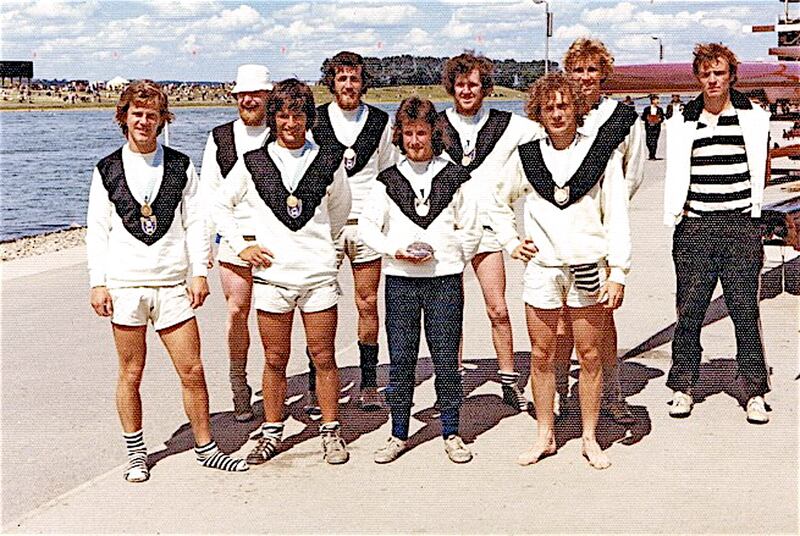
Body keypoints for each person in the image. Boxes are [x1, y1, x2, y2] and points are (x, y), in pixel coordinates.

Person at [86, 80, 249, 482]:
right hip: (125, 285)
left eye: (152, 115)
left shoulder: (179, 165)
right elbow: (97, 229)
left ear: (163, 120)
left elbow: (197, 223)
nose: (144, 121)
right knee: (130, 373)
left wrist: (199, 272)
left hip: (172, 284)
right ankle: (137, 453)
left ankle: (207, 447)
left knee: (192, 370)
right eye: (136, 114)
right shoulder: (106, 169)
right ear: (123, 117)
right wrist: (98, 282)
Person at [489, 73, 631, 469]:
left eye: (564, 105)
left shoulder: (602, 153)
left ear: (577, 109)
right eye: (549, 107)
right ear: (538, 111)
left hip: (589, 267)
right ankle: (545, 435)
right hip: (543, 271)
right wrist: (511, 240)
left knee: (589, 356)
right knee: (541, 355)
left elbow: (617, 215)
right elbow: (495, 200)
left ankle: (589, 437)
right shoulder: (527, 156)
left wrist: (618, 271)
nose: (557, 113)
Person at [214, 79, 352, 465]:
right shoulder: (253, 162)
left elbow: (339, 210)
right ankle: (272, 432)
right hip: (273, 278)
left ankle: (331, 431)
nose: (290, 123)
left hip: (317, 276)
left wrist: (321, 247)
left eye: (298, 115)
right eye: (283, 115)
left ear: (309, 118)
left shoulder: (328, 158)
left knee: (323, 356)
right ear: (273, 118)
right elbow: (220, 206)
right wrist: (244, 246)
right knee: (275, 359)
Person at [359, 96, 481, 464]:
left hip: (443, 280)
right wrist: (396, 249)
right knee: (401, 360)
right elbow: (367, 228)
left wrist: (446, 255)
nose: (415, 141)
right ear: (400, 135)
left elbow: (471, 229)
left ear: (434, 133)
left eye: (422, 133)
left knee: (446, 359)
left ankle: (452, 431)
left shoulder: (456, 176)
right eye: (409, 133)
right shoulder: (388, 180)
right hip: (401, 280)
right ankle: (398, 433)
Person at [664, 43, 771, 424]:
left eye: (719, 73)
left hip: (740, 225)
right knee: (689, 312)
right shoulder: (681, 120)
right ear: (698, 77)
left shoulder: (755, 117)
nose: (712, 80)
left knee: (745, 310)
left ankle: (755, 389)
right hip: (695, 225)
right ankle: (683, 385)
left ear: (731, 76)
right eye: (706, 74)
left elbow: (761, 169)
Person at [438, 52, 544, 411]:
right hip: (447, 231)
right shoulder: (436, 126)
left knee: (497, 308)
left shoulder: (511, 125)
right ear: (451, 86)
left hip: (488, 230)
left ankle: (509, 379)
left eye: (474, 83)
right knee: (449, 312)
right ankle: (450, 381)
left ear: (485, 87)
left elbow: (552, 132)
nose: (466, 90)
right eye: (460, 83)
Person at [557, 38, 645, 425]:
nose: (584, 78)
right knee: (557, 316)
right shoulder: (557, 113)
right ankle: (559, 392)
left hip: (603, 234)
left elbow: (633, 175)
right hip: (559, 233)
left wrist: (608, 217)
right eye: (577, 70)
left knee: (602, 317)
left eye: (592, 70)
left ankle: (613, 392)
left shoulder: (625, 119)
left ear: (603, 74)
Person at [307, 51, 396, 413]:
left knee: (367, 304)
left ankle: (369, 382)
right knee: (318, 305)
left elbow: (389, 174)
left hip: (365, 226)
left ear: (363, 82)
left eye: (354, 78)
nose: (348, 85)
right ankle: (317, 383)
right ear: (332, 81)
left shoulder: (379, 121)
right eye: (341, 78)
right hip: (325, 227)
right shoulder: (315, 121)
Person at [201, 64, 272, 422]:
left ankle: (295, 382)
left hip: (278, 240)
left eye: (256, 94)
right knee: (236, 312)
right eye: (242, 94)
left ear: (267, 96)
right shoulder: (220, 138)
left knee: (282, 314)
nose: (248, 100)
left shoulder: (283, 132)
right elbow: (208, 197)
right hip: (234, 240)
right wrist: (208, 251)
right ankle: (238, 382)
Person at [642, 94, 665, 159]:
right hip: (649, 126)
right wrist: (647, 118)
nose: (658, 101)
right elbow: (643, 117)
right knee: (648, 141)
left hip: (656, 127)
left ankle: (653, 155)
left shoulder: (660, 109)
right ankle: (651, 152)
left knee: (654, 141)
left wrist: (660, 119)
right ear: (652, 100)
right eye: (656, 99)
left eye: (658, 99)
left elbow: (662, 118)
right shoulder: (646, 109)